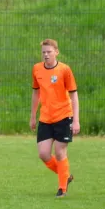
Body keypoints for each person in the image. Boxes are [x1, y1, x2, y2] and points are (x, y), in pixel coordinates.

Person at [30, 38, 79, 198]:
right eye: (43, 52)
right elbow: (36, 93)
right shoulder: (37, 69)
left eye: (49, 52)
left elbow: (74, 96)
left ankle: (62, 188)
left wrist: (76, 120)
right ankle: (65, 176)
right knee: (43, 154)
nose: (46, 55)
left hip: (64, 116)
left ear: (56, 52)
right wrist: (33, 116)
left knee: (59, 152)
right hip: (45, 118)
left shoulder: (64, 70)